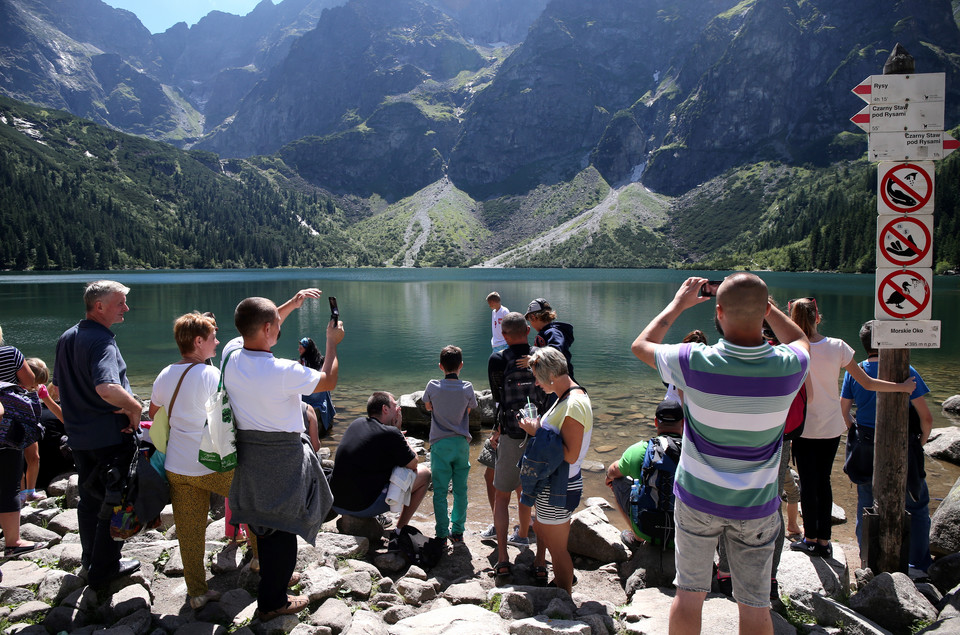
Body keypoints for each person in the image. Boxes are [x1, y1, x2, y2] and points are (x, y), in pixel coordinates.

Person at [631, 274, 809, 635]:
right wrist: (766, 309)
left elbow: (641, 344)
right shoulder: (789, 366)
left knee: (689, 594)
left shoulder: (694, 361)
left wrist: (680, 303)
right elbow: (800, 338)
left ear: (719, 312)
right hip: (757, 505)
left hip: (697, 500)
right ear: (764, 312)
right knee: (755, 605)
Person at [224, 296, 342, 620]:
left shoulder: (231, 357)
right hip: (283, 459)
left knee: (263, 523)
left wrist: (292, 304)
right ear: (267, 329)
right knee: (284, 533)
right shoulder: (283, 371)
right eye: (277, 323)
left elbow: (261, 320)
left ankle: (271, 580)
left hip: (248, 456)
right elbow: (328, 380)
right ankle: (273, 602)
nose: (280, 325)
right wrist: (332, 344)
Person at [787, 299, 914, 560]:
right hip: (832, 426)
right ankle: (824, 541)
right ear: (817, 317)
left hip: (803, 427)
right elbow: (866, 383)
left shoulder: (790, 349)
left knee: (809, 484)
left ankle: (810, 540)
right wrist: (902, 388)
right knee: (823, 480)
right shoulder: (837, 346)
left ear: (791, 319)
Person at [149, 312, 258, 610]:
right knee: (250, 501)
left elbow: (153, 413)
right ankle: (260, 561)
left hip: (176, 466)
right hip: (211, 464)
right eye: (212, 337)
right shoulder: (210, 375)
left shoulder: (165, 373)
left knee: (189, 530)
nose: (217, 341)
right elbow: (230, 414)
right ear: (198, 341)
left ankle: (197, 592)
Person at [53, 281, 144, 588]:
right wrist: (134, 406)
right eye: (120, 303)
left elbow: (58, 385)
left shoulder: (68, 337)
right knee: (118, 500)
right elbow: (106, 388)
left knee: (90, 500)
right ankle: (106, 566)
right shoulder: (101, 341)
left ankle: (90, 559)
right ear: (99, 306)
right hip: (110, 437)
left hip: (78, 437)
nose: (126, 308)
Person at [841, 321, 933, 572]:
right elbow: (926, 418)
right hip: (902, 444)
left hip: (865, 445)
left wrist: (857, 433)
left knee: (867, 502)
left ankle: (866, 561)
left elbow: (845, 411)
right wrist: (921, 443)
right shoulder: (905, 369)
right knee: (916, 502)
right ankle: (917, 566)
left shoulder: (855, 371)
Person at [517, 346, 591, 593]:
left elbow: (570, 453)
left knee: (557, 551)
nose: (537, 384)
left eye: (537, 378)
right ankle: (563, 588)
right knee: (549, 538)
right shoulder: (567, 397)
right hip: (556, 483)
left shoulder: (574, 404)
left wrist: (537, 431)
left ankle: (564, 600)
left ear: (549, 375)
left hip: (560, 486)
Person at [488, 312, 545, 578]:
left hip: (511, 434)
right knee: (539, 498)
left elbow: (498, 399)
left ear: (504, 334)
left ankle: (502, 559)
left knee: (502, 497)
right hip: (539, 434)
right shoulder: (541, 355)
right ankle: (540, 561)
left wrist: (497, 429)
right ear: (527, 330)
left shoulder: (498, 359)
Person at [330, 392, 431, 535]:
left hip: (337, 502)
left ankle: (377, 518)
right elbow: (413, 463)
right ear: (385, 409)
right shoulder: (391, 433)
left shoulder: (357, 423)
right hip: (361, 507)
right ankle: (399, 530)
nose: (399, 409)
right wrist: (398, 431)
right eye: (395, 405)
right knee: (424, 474)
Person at [606, 399, 684, 549]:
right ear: (683, 423)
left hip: (649, 530)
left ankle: (638, 538)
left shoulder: (641, 450)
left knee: (617, 481)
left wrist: (608, 478)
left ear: (655, 422)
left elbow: (613, 471)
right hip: (686, 535)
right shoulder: (693, 452)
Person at [422, 345, 477, 543]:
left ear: (440, 366)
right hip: (461, 443)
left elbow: (429, 407)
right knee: (461, 490)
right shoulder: (468, 388)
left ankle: (442, 532)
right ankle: (458, 531)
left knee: (440, 490)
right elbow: (469, 411)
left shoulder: (432, 386)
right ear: (461, 365)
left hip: (439, 444)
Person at [0, 325, 46, 558]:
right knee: (8, 483)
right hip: (8, 425)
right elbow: (30, 382)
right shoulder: (10, 353)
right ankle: (13, 541)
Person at [20, 358, 54, 503]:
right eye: (34, 385)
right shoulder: (14, 387)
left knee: (34, 457)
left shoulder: (38, 389)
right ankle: (20, 493)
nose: (35, 387)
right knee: (16, 461)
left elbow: (53, 407)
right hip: (13, 427)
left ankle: (31, 491)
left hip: (31, 426)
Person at [525, 298, 575, 382]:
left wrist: (533, 359)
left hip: (561, 379)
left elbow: (555, 351)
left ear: (533, 317)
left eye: (529, 320)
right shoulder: (547, 332)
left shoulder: (553, 332)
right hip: (551, 379)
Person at [298, 336, 336, 439]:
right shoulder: (322, 361)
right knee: (326, 389)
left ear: (307, 349)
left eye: (301, 348)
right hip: (319, 394)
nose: (299, 350)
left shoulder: (301, 363)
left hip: (307, 396)